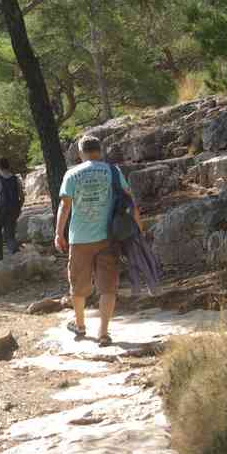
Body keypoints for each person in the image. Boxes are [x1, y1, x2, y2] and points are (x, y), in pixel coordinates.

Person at [55, 135, 142, 347]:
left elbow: (65, 206)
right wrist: (139, 226)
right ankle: (103, 333)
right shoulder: (113, 171)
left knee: (78, 285)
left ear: (80, 152)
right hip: (108, 238)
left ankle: (80, 325)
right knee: (108, 287)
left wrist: (59, 233)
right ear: (100, 151)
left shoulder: (72, 174)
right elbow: (130, 200)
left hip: (80, 239)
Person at [0, 158, 25, 262]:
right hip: (12, 212)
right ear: (8, 166)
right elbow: (22, 197)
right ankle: (17, 259)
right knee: (10, 236)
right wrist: (18, 208)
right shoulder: (16, 179)